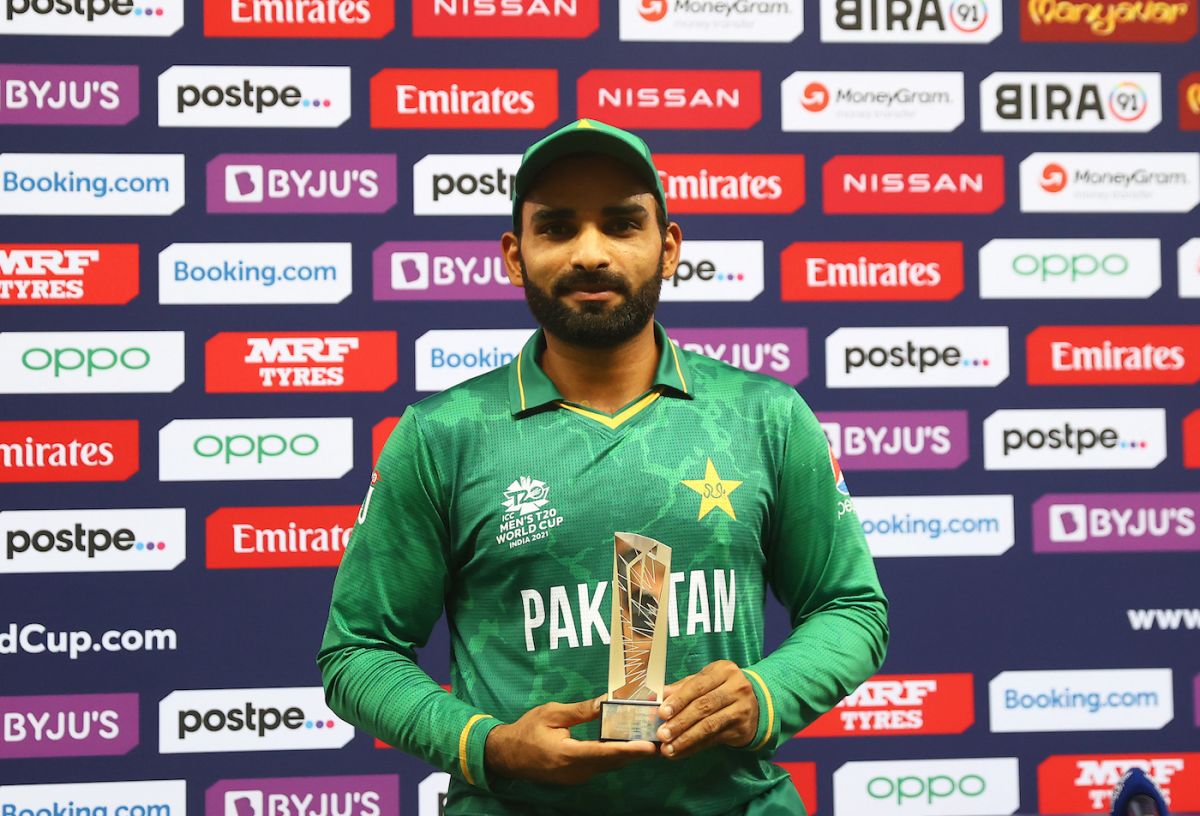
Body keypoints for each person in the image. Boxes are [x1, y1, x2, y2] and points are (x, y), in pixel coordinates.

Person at [318, 119, 888, 815]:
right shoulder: (441, 434)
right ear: (515, 256)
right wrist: (489, 745)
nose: (590, 253)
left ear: (668, 247)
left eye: (621, 225)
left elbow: (850, 608)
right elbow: (358, 654)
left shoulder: (765, 414)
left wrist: (766, 694)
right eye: (557, 228)